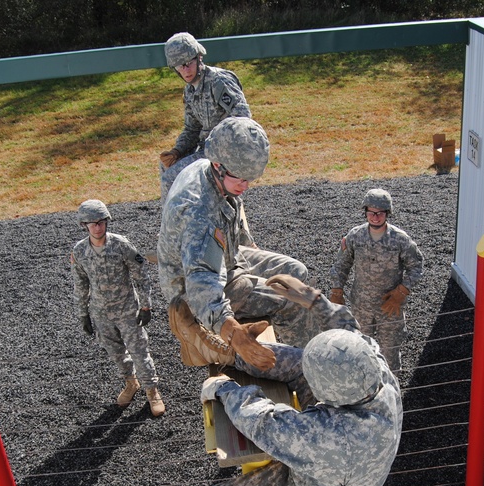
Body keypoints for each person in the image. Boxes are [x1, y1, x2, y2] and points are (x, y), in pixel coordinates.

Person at [81, 280, 401, 486]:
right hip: (334, 464)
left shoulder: (330, 437)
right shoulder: (375, 368)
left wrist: (223, 389)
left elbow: (262, 421)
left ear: (332, 399)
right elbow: (350, 336)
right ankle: (228, 352)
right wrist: (316, 300)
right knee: (305, 361)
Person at [158, 116, 315, 371]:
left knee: (296, 272)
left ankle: (294, 352)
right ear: (218, 164)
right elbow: (201, 280)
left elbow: (231, 214)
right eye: (240, 179)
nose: (246, 186)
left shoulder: (210, 170)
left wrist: (248, 245)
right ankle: (300, 369)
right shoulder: (198, 212)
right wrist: (231, 331)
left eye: (250, 178)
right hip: (193, 294)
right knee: (293, 298)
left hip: (228, 257)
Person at [72, 199, 165, 416]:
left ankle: (152, 391)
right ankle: (131, 384)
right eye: (92, 223)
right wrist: (83, 314)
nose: (97, 227)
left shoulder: (121, 245)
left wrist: (145, 306)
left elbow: (140, 274)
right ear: (84, 225)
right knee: (116, 353)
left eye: (101, 222)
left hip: (127, 311)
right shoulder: (79, 251)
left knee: (140, 352)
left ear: (107, 222)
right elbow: (80, 283)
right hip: (101, 313)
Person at [330, 188, 424, 372]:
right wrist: (336, 291)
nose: (375, 217)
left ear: (387, 213)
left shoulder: (400, 239)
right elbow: (341, 265)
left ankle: (392, 393)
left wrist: (402, 291)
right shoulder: (355, 236)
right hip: (361, 306)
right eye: (371, 212)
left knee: (390, 355)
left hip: (389, 307)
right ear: (365, 212)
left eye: (380, 213)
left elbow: (417, 266)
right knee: (360, 351)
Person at [158, 32, 252, 199]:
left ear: (199, 57)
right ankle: (186, 215)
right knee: (166, 166)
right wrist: (177, 151)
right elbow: (192, 129)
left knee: (170, 178)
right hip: (205, 151)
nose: (185, 70)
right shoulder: (189, 91)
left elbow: (243, 120)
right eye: (179, 66)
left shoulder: (219, 81)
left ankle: (174, 223)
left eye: (188, 63)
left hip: (223, 152)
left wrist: (221, 147)